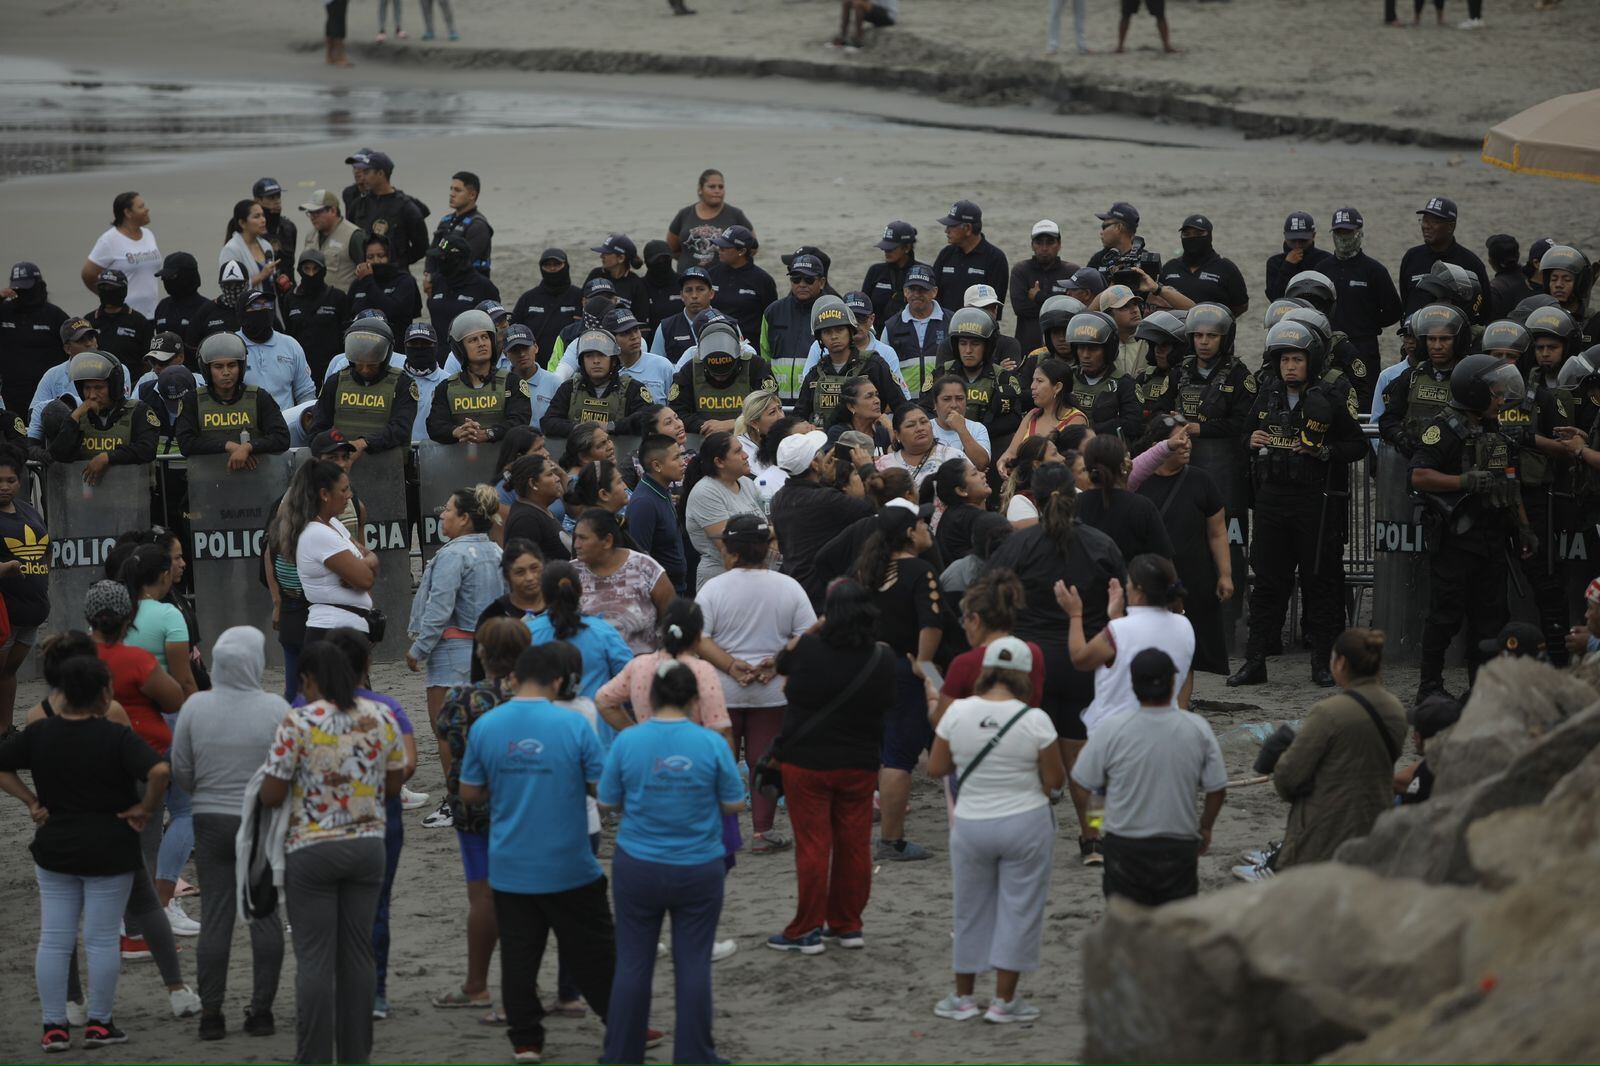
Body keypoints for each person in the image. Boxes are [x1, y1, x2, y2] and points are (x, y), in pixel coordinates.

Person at [457, 641, 621, 1066]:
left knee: (519, 956)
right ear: (558, 681)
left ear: (512, 678)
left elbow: (470, 793)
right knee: (596, 953)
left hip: (510, 864)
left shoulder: (487, 727)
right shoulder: (575, 726)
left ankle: (526, 1040)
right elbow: (600, 793)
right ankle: (622, 1024)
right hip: (570, 862)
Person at [0, 652, 168, 1054]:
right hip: (110, 846)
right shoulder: (116, 736)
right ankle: (100, 1023)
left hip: (56, 845)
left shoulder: (39, 733)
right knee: (101, 939)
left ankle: (54, 1026)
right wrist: (145, 810)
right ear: (103, 693)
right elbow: (159, 771)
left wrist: (30, 801)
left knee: (55, 938)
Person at [261, 641, 403, 1065]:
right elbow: (394, 784)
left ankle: (315, 1056)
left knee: (315, 959)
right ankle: (356, 1054)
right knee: (358, 952)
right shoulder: (379, 716)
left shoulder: (298, 721)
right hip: (366, 845)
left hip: (311, 849)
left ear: (307, 679)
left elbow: (272, 793)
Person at [597, 655, 741, 1062]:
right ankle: (695, 1053)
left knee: (633, 963)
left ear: (650, 696)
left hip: (638, 863)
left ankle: (622, 1053)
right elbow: (733, 802)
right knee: (693, 963)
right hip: (698, 866)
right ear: (695, 699)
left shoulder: (628, 741)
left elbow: (607, 801)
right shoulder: (712, 743)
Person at [987, 464, 1127, 864]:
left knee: (1029, 759)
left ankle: (1027, 841)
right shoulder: (1100, 544)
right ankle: (1094, 839)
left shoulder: (1018, 545)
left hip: (1030, 662)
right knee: (1083, 760)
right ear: (1075, 492)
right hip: (1086, 660)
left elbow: (990, 596)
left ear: (1031, 496)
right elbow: (1122, 598)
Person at [927, 637, 1063, 1024]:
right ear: (1025, 676)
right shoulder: (1035, 719)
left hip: (972, 822)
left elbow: (936, 768)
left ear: (985, 671)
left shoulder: (958, 713)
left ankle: (964, 998)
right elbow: (1054, 780)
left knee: (969, 909)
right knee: (1019, 909)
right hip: (1026, 821)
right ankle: (1004, 1002)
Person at [168, 626, 286, 1041]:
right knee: (264, 914)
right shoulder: (275, 708)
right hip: (259, 820)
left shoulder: (197, 707)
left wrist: (203, 792)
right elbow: (287, 770)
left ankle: (212, 1014)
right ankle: (262, 1011)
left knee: (216, 917)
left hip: (210, 819)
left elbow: (181, 770)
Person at [1235, 629, 1406, 882]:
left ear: (1341, 663)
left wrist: (1278, 758)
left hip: (1329, 826)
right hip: (1374, 818)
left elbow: (1288, 779)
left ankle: (1280, 863)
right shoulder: (1395, 708)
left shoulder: (1329, 712)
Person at [1410, 354, 1531, 702]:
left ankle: (1482, 688)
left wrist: (1524, 528)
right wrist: (1463, 480)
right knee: (1444, 616)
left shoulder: (1496, 431)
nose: (1500, 398)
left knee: (1490, 619)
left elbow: (1511, 482)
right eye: (1494, 392)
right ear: (1475, 394)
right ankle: (1429, 686)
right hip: (1455, 540)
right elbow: (1419, 475)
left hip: (1492, 539)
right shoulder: (1443, 430)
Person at [1072, 648, 1227, 903]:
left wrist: (1098, 823)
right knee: (1174, 927)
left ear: (1133, 683)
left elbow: (1083, 783)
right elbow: (1217, 788)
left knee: (1126, 929)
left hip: (1125, 845)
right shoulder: (1196, 727)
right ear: (1173, 681)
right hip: (1178, 844)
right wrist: (1206, 827)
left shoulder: (1112, 728)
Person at [434, 617, 529, 1016]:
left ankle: (477, 984)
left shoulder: (461, 698)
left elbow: (448, 741)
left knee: (483, 896)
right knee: (525, 899)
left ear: (482, 654)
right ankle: (522, 990)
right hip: (526, 806)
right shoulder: (535, 698)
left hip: (474, 809)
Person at [406, 486, 504, 823]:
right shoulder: (495, 550)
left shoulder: (453, 555)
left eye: (448, 509)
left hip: (451, 652)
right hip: (487, 650)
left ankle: (454, 801)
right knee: (480, 726)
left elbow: (439, 608)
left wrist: (418, 649)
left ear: (464, 518)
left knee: (446, 729)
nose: (442, 514)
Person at [854, 502, 942, 862]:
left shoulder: (869, 571)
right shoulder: (919, 571)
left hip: (871, 666)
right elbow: (931, 625)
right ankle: (892, 840)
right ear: (909, 533)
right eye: (922, 523)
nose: (926, 528)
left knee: (884, 748)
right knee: (900, 755)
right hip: (907, 668)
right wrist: (927, 668)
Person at [1134, 415, 1232, 674]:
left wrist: (1225, 574)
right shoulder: (1137, 482)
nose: (1187, 444)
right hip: (1151, 579)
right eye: (1180, 439)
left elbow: (1218, 531)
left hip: (1195, 578)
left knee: (1189, 654)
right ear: (1159, 445)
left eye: (1188, 438)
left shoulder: (1202, 481)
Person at [1061, 554, 1196, 738]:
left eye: (1129, 583)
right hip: (1165, 727)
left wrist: (1075, 614)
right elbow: (1138, 645)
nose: (1126, 587)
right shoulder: (1184, 626)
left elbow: (1080, 659)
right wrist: (1117, 617)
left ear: (1139, 591)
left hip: (1117, 732)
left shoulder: (1118, 631)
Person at [770, 429, 874, 607]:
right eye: (820, 454)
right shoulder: (826, 500)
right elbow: (874, 511)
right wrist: (866, 469)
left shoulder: (778, 498)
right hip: (825, 596)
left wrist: (824, 479)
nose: (828, 456)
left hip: (797, 589)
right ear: (814, 465)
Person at [291, 459, 379, 645]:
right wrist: (367, 563)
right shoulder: (318, 533)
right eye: (344, 490)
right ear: (324, 494)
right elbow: (366, 580)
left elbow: (368, 561)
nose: (349, 495)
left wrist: (369, 561)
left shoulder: (333, 524)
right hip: (334, 633)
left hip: (344, 630)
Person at [307, 317, 417, 454]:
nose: (365, 370)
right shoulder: (335, 383)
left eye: (372, 365)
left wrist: (365, 443)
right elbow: (317, 430)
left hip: (389, 468)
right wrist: (337, 451)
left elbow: (400, 429)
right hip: (340, 467)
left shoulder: (402, 384)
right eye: (359, 364)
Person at [175, 332, 290, 462]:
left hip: (257, 478)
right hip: (207, 479)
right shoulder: (193, 400)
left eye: (232, 365)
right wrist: (228, 446)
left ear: (240, 367)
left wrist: (248, 447)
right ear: (207, 369)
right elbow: (186, 444)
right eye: (218, 366)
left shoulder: (259, 397)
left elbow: (282, 438)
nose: (226, 372)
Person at [572, 508, 673, 655]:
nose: (576, 544)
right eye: (575, 537)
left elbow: (672, 618)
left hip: (643, 669)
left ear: (607, 541)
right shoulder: (571, 574)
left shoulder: (645, 568)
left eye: (583, 538)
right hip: (592, 670)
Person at [47, 349, 159, 478]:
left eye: (98, 388)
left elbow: (147, 449)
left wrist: (108, 457)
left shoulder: (138, 411)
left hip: (130, 493)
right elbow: (59, 455)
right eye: (87, 388)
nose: (92, 395)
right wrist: (74, 418)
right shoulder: (78, 417)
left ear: (114, 387)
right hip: (88, 495)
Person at [0, 448, 48, 732]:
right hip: (4, 615)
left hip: (32, 612)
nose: (4, 487)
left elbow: (45, 550)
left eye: (10, 480)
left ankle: (5, 729)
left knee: (7, 673)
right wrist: (5, 568)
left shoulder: (28, 510)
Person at [682, 431, 764, 590]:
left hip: (754, 578)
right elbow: (730, 546)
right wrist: (771, 533)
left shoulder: (746, 483)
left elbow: (765, 524)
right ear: (719, 462)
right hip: (721, 583)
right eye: (738, 451)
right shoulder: (706, 492)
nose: (746, 455)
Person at [1074, 434, 1173, 561]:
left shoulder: (1074, 504)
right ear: (1123, 466)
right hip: (1132, 579)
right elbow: (1164, 560)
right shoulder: (1141, 507)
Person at [996, 358, 1086, 476]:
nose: (1033, 386)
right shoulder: (1032, 415)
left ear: (1057, 387)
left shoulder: (1076, 419)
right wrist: (1003, 463)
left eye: (1039, 381)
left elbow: (1068, 463)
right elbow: (1011, 453)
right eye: (1033, 381)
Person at [625, 433, 689, 592]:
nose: (683, 463)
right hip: (660, 595)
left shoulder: (662, 489)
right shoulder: (644, 503)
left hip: (677, 589)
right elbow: (639, 561)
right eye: (676, 458)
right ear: (657, 466)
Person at [344, 151, 429, 269]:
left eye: (367, 172)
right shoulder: (358, 205)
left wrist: (398, 264)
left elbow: (421, 247)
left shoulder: (406, 207)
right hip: (366, 276)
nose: (363, 177)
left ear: (380, 173)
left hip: (396, 278)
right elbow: (349, 236)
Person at [82, 192, 161, 318]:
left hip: (152, 313)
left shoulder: (148, 234)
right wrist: (109, 298)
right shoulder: (109, 240)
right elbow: (88, 274)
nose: (147, 209)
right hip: (124, 315)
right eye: (141, 207)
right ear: (128, 213)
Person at [667, 170, 753, 271]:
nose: (717, 190)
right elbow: (672, 248)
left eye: (721, 187)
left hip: (724, 281)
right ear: (700, 189)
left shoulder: (735, 215)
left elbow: (752, 248)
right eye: (712, 187)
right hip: (689, 281)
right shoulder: (684, 214)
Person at [932, 200, 1008, 314]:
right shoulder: (946, 254)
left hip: (978, 328)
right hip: (945, 326)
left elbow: (995, 306)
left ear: (967, 228)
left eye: (951, 226)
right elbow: (933, 293)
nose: (946, 231)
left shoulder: (995, 258)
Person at [707, 225, 777, 345]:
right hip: (713, 342)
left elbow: (771, 319)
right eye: (719, 245)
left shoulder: (763, 280)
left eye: (725, 247)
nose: (719, 249)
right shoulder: (711, 275)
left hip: (750, 347)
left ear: (742, 251)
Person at [348, 234, 422, 336]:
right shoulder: (358, 283)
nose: (376, 261)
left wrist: (368, 281)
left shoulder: (404, 281)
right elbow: (347, 316)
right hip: (361, 343)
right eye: (370, 257)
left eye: (381, 256)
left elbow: (394, 312)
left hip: (395, 344)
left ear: (390, 256)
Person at [504, 454, 571, 562]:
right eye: (550, 474)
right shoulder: (525, 520)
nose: (557, 478)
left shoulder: (540, 510)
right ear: (533, 483)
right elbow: (524, 568)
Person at [87, 267, 153, 373]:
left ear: (123, 290)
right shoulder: (89, 321)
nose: (107, 292)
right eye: (103, 288)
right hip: (97, 381)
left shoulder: (140, 322)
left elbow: (148, 360)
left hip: (132, 383)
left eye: (111, 288)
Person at [298, 189, 364, 291]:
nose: (313, 217)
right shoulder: (311, 236)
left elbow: (366, 274)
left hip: (343, 303)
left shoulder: (354, 236)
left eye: (317, 212)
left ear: (333, 211)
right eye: (310, 213)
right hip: (315, 302)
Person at [928, 457, 992, 561]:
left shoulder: (954, 514)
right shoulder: (969, 517)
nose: (983, 474)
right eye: (974, 473)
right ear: (961, 490)